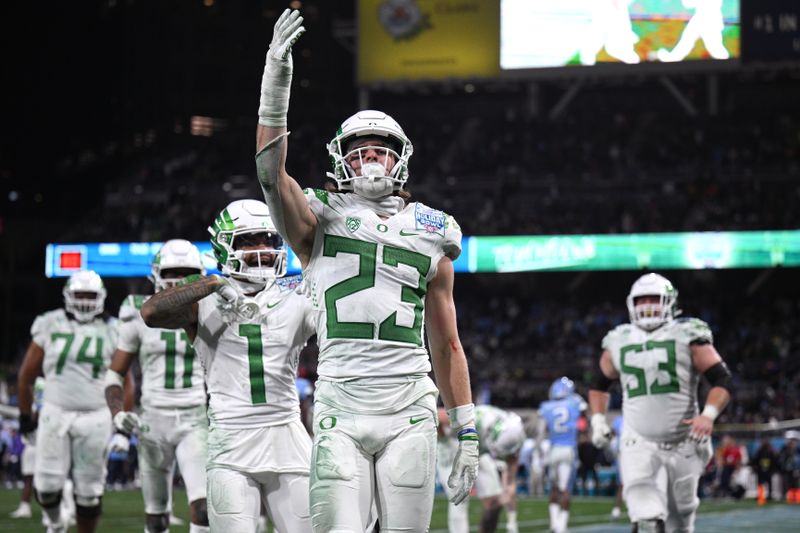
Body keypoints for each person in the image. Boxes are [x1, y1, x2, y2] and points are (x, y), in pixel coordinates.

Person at [253, 9, 479, 531]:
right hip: (340, 404)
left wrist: (465, 429)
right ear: (340, 162)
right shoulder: (317, 218)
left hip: (411, 405)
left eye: (380, 150)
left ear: (400, 160)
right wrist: (276, 82)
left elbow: (447, 343)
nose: (370, 160)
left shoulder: (433, 229)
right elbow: (269, 173)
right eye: (358, 153)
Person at [141, 199, 316, 532]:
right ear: (225, 247)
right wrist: (212, 283)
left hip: (287, 434)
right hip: (231, 442)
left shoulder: (297, 292)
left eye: (268, 239)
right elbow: (150, 312)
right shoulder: (203, 300)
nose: (262, 249)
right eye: (249, 241)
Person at [589, 273, 732, 533]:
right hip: (638, 439)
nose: (648, 306)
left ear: (670, 302)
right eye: (642, 300)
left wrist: (709, 415)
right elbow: (599, 385)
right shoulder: (619, 339)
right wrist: (597, 421)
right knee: (646, 520)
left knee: (681, 521)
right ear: (631, 304)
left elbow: (722, 379)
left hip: (684, 440)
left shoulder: (687, 332)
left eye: (654, 299)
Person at [104, 238, 209, 533]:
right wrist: (117, 415)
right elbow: (116, 373)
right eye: (171, 272)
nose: (177, 281)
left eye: (186, 272)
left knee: (204, 509)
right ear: (156, 275)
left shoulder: (211, 309)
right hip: (153, 420)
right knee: (157, 518)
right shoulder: (136, 311)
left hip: (195, 417)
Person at [17, 270, 117, 533]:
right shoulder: (50, 323)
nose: (84, 300)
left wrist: (121, 419)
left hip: (96, 415)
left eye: (90, 295)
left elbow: (123, 380)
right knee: (47, 488)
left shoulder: (113, 329)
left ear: (101, 297)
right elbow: (26, 376)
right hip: (55, 410)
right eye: (79, 294)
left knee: (88, 494)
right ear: (67, 296)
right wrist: (26, 417)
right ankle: (56, 522)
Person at [438, 404, 525, 533]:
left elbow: (511, 465)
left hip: (479, 451)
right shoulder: (473, 419)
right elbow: (438, 416)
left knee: (495, 501)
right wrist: (443, 438)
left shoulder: (514, 433)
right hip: (455, 446)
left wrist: (508, 489)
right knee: (459, 499)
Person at [538, 377, 586, 533]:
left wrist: (540, 451)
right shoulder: (574, 403)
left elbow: (540, 432)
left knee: (553, 487)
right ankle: (561, 526)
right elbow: (583, 422)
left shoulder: (546, 406)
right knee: (565, 489)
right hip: (568, 449)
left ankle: (553, 523)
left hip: (553, 449)